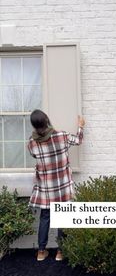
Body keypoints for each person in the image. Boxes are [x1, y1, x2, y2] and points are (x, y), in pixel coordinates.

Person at [28, 109, 85, 261]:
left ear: (33, 125)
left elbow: (34, 155)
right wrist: (81, 126)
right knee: (62, 216)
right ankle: (60, 252)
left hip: (46, 187)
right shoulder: (62, 136)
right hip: (63, 185)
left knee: (45, 217)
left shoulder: (32, 143)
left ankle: (41, 252)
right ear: (47, 120)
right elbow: (79, 140)